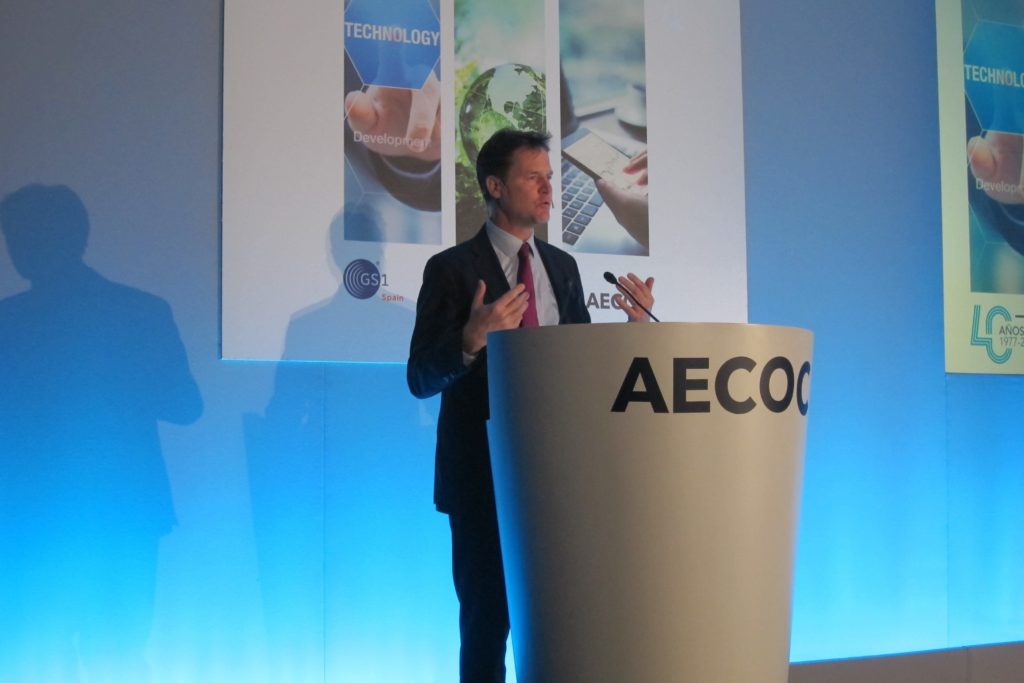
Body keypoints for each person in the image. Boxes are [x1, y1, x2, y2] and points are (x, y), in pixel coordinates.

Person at [406, 129, 654, 682]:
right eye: (533, 178)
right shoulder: (451, 269)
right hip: (484, 482)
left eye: (549, 177)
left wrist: (632, 329)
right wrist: (470, 339)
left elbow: (579, 368)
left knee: (562, 627)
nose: (549, 189)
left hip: (559, 482)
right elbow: (420, 377)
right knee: (487, 630)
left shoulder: (562, 267)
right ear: (495, 186)